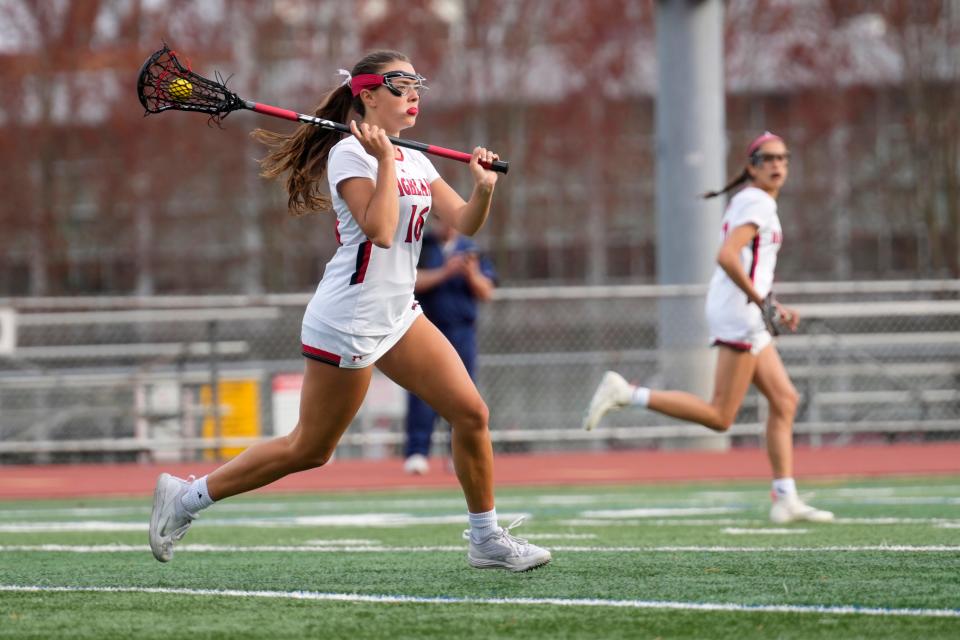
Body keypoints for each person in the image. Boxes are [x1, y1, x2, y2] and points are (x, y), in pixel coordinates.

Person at [148, 50, 551, 572]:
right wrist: (382, 161)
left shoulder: (415, 157)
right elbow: (381, 232)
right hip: (349, 318)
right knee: (309, 449)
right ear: (366, 94)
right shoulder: (351, 155)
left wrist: (483, 188)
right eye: (399, 83)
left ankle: (486, 538)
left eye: (416, 83)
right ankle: (186, 498)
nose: (413, 94)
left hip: (399, 314)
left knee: (471, 413)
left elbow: (466, 223)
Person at [583, 132, 834, 525]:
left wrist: (771, 305)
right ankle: (627, 392)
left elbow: (749, 266)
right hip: (739, 313)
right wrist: (760, 301)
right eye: (768, 158)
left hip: (744, 310)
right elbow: (728, 256)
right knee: (720, 416)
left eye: (783, 157)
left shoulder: (756, 201)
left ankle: (785, 496)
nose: (777, 164)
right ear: (751, 166)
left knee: (784, 400)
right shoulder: (757, 202)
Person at [403, 216, 496, 475]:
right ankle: (417, 451)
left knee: (463, 393)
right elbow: (411, 282)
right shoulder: (421, 247)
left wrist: (469, 272)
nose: (448, 225)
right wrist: (446, 271)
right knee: (421, 392)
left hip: (462, 332)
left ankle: (461, 454)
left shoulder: (471, 250)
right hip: (428, 329)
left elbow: (486, 291)